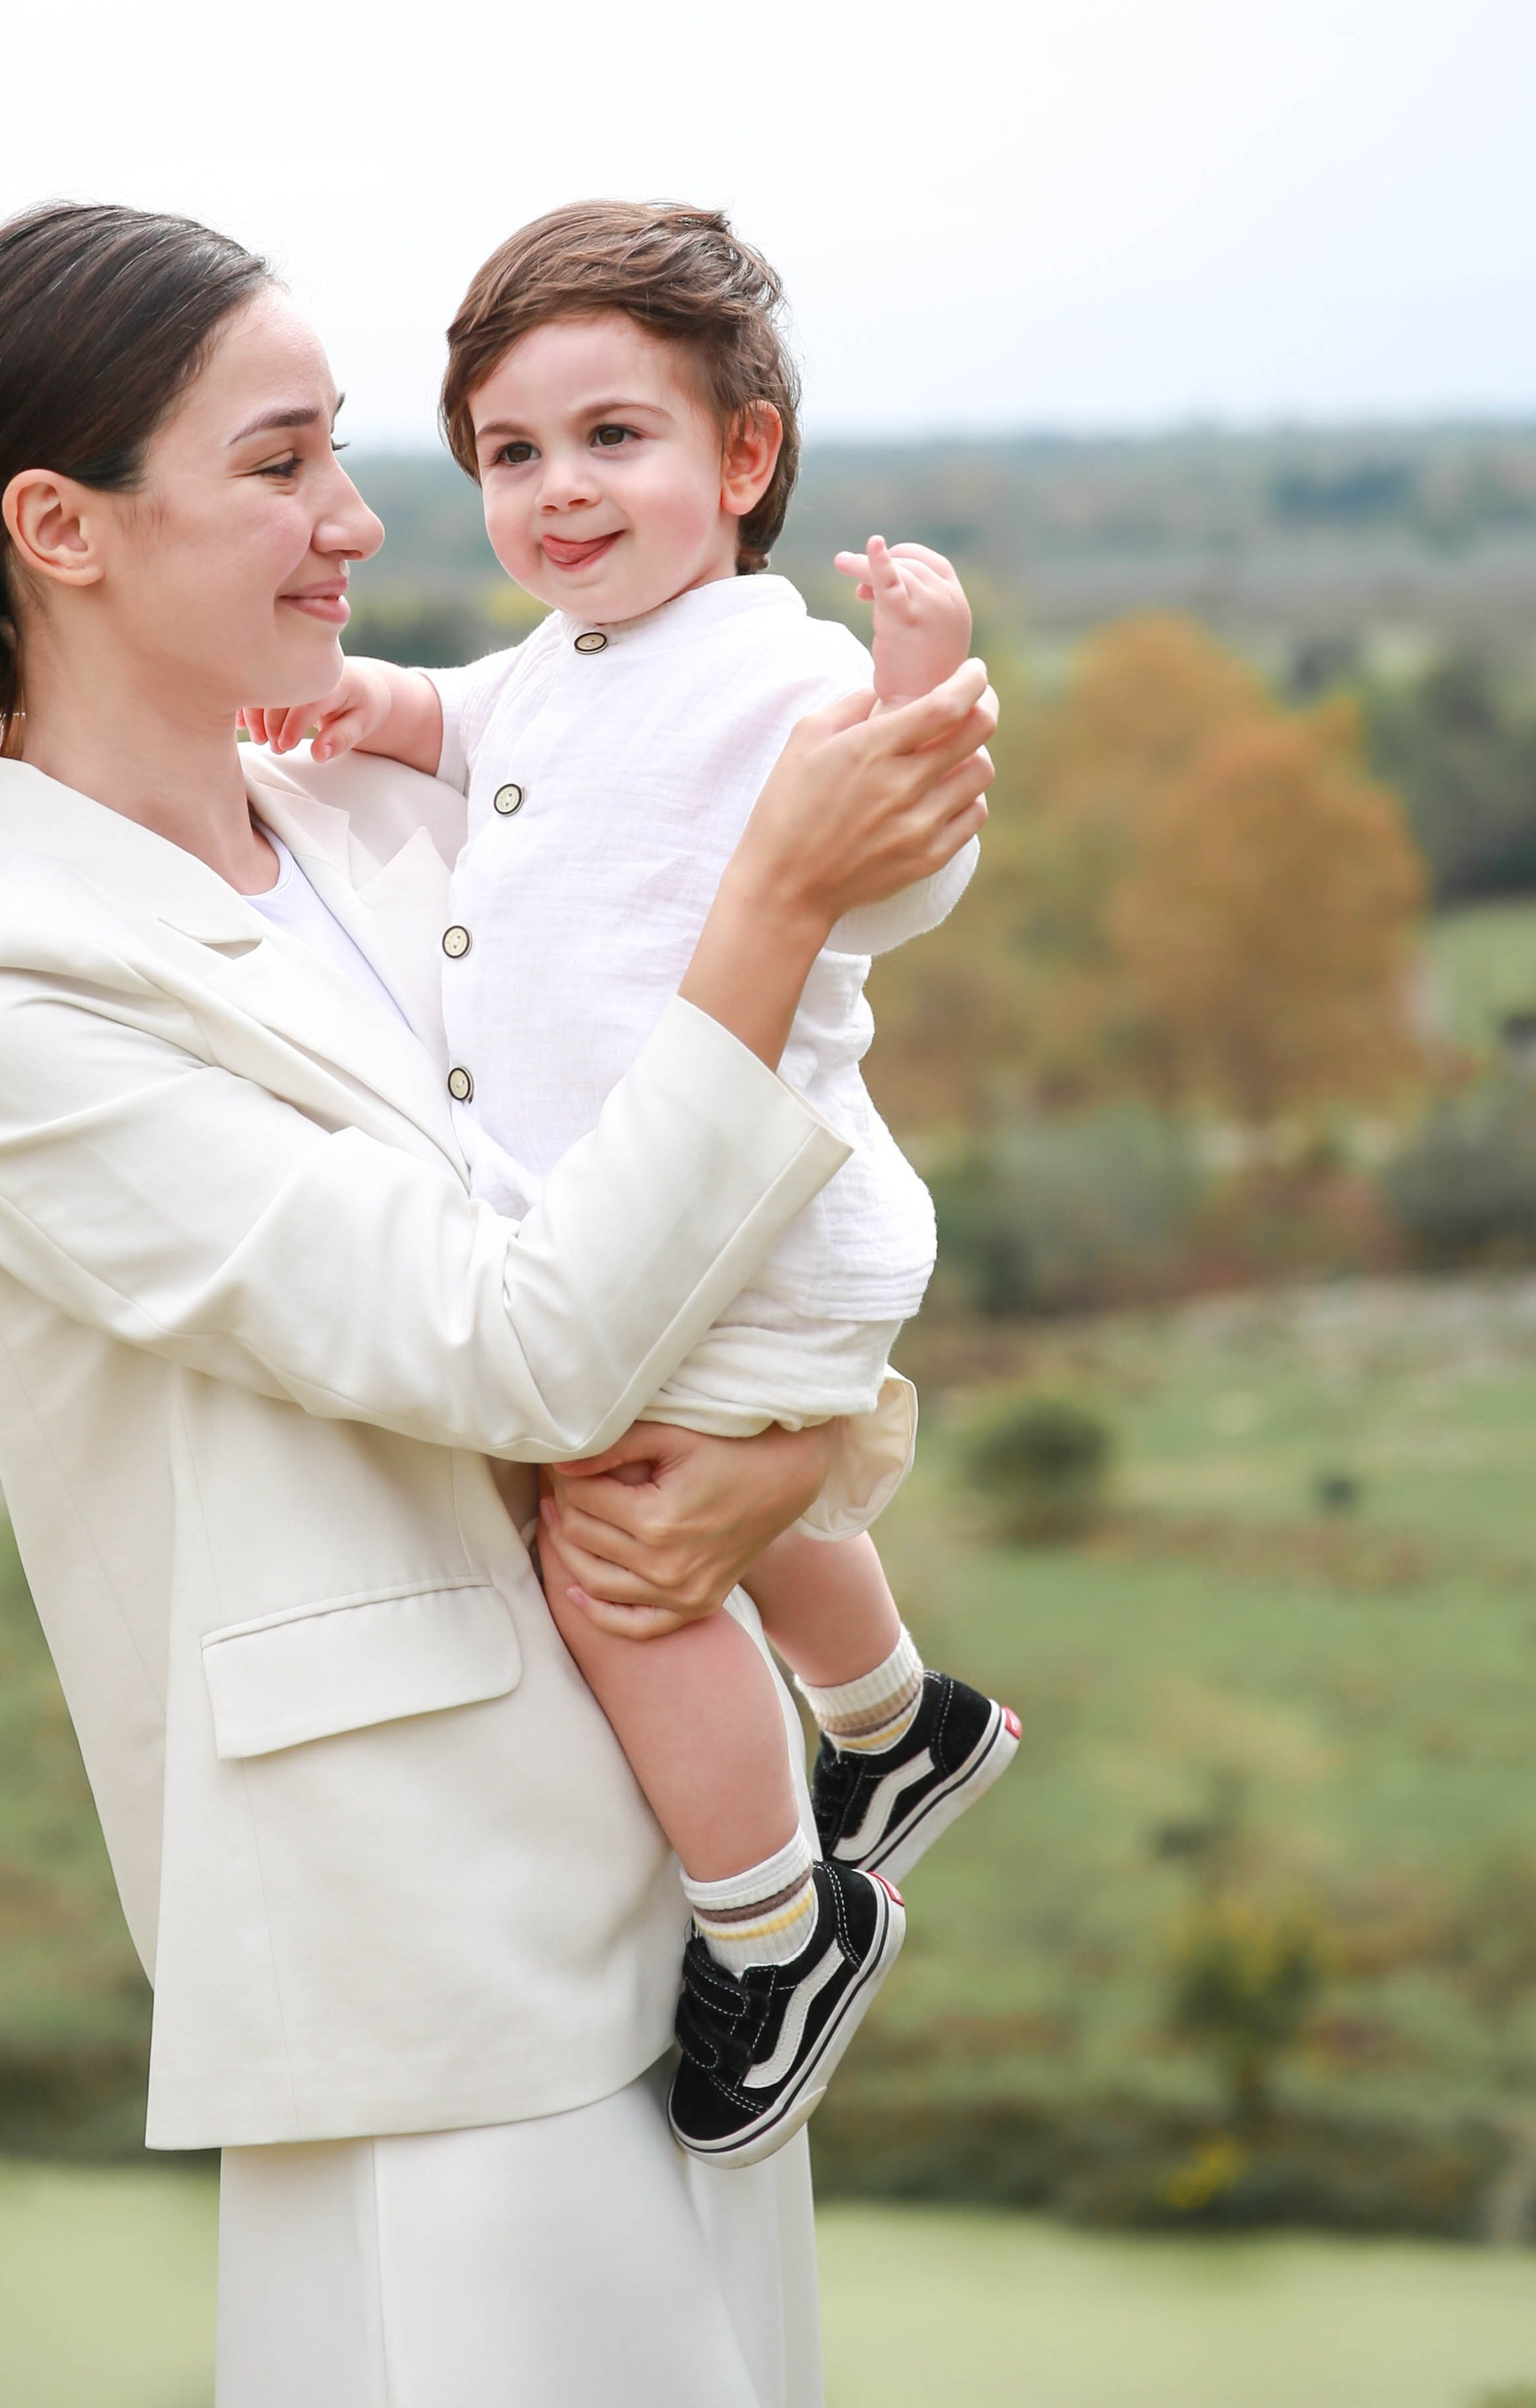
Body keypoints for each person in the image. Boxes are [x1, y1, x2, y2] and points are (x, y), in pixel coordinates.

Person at [0, 201, 994, 2408]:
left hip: (683, 1933)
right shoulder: (13, 1005)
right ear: (63, 527)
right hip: (422, 1968)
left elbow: (712, 1230)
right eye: (285, 461)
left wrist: (789, 1452)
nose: (359, 520)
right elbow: (521, 1343)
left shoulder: (377, 824)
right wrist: (774, 895)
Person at [249, 201, 1020, 2166]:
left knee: (624, 1559)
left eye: (612, 439)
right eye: (510, 453)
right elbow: (455, 721)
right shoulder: (565, 664)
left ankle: (775, 1924)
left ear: (739, 458)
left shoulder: (769, 668)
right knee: (716, 1494)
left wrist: (921, 676)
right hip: (653, 1206)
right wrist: (364, 708)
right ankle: (889, 1719)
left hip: (745, 1210)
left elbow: (900, 860)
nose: (557, 492)